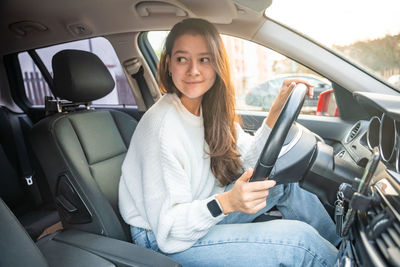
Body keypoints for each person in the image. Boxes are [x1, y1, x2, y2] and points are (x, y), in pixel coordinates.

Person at [119, 18, 339, 266]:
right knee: (300, 243)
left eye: (204, 59)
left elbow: (249, 162)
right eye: (182, 59)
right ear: (169, 64)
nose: (194, 70)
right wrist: (227, 202)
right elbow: (170, 227)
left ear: (216, 65)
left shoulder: (206, 111)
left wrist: (275, 112)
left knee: (285, 181)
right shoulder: (160, 128)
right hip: (163, 237)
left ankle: (341, 249)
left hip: (201, 211)